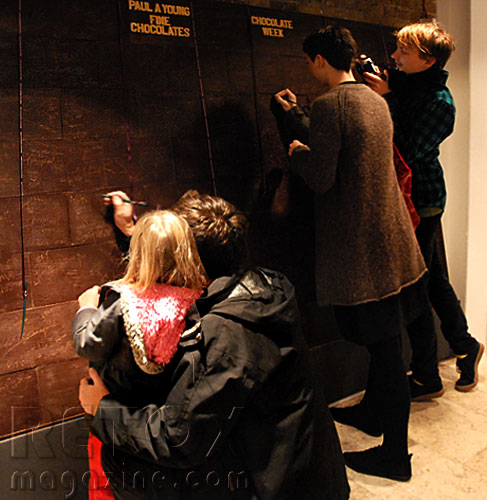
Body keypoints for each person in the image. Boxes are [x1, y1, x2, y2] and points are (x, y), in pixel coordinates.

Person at [77, 190, 350, 500]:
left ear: (190, 262)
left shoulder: (227, 337)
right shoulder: (261, 287)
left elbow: (178, 438)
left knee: (132, 466)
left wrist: (102, 409)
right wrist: (132, 234)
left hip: (281, 490)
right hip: (314, 478)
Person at [274, 25, 431, 481]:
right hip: (393, 241)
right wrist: (303, 123)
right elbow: (351, 153)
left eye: (310, 61)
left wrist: (296, 148)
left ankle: (395, 456)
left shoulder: (329, 105)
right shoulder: (373, 98)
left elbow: (322, 175)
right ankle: (371, 414)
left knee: (385, 350)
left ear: (320, 60)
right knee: (387, 345)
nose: (310, 68)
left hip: (361, 249)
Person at [363, 21, 484, 399]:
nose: (395, 56)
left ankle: (430, 372)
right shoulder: (407, 84)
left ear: (428, 60)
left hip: (423, 198)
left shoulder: (439, 102)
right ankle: (463, 347)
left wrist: (387, 98)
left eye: (403, 52)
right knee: (430, 279)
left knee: (419, 283)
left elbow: (411, 147)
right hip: (405, 195)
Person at [73, 210, 208, 499]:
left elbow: (88, 342)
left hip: (110, 419)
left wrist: (86, 309)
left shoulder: (123, 303)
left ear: (138, 254)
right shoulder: (193, 302)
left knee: (104, 487)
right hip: (157, 428)